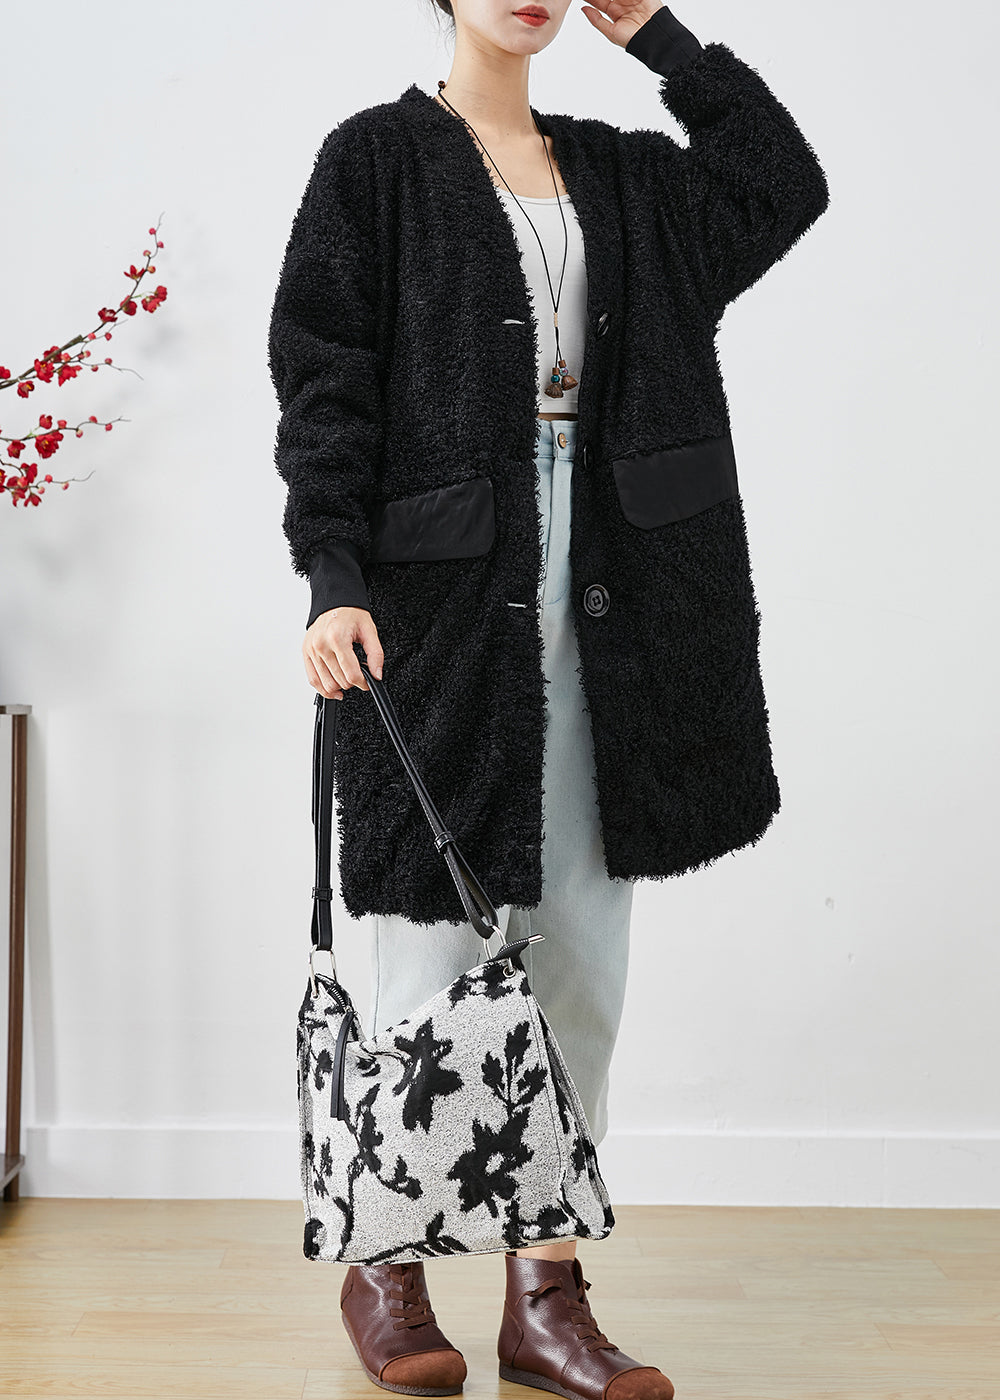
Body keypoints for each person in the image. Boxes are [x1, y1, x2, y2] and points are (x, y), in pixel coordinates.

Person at [268, 1, 829, 1395]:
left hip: (620, 596)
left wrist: (662, 41)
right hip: (440, 606)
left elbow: (781, 182)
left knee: (579, 950)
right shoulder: (375, 161)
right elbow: (324, 377)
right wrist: (331, 574)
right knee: (426, 946)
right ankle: (387, 1265)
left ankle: (545, 1294)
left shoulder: (624, 173)